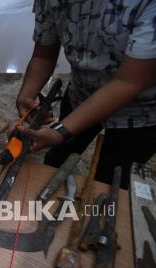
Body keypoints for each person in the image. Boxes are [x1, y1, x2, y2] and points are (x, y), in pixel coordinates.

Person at [16, 0, 156, 188]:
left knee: (108, 183)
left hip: (139, 112)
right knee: (56, 161)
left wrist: (59, 132)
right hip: (81, 94)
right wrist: (27, 94)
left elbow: (129, 81)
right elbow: (43, 55)